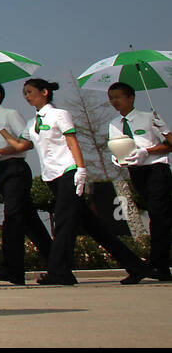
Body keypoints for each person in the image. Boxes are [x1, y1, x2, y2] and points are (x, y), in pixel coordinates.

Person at [20, 78, 147, 285]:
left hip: (69, 172)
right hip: (51, 177)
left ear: (45, 92)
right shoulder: (31, 123)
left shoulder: (59, 115)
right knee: (93, 227)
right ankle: (136, 265)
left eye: (30, 91)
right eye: (24, 93)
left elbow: (72, 142)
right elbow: (21, 145)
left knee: (63, 222)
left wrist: (81, 169)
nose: (27, 96)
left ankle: (59, 272)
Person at [0, 79, 52, 284]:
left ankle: (13, 269)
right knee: (30, 221)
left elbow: (27, 144)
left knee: (13, 217)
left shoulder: (9, 114)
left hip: (15, 168)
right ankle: (57, 261)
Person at [106, 81, 171, 281]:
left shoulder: (149, 117)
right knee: (154, 215)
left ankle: (158, 265)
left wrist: (150, 149)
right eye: (111, 98)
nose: (114, 102)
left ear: (131, 97)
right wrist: (117, 159)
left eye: (118, 97)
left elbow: (169, 145)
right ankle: (157, 265)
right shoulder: (114, 124)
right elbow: (117, 148)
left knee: (159, 215)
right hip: (137, 172)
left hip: (156, 169)